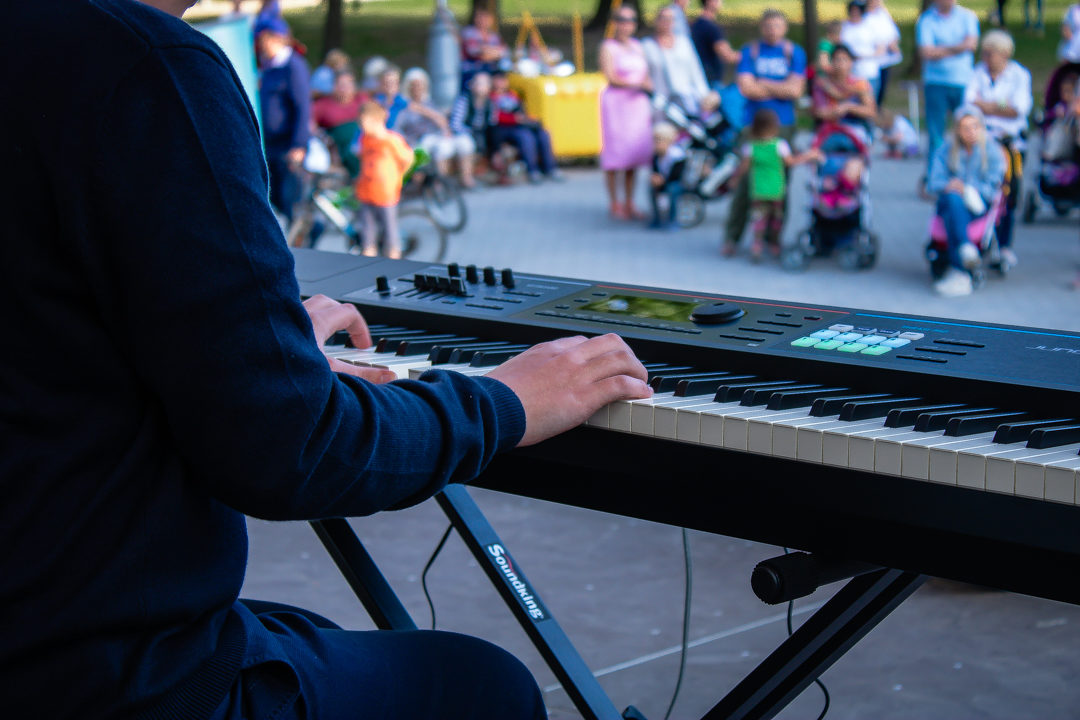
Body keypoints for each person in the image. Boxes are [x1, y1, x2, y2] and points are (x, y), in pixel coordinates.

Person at [4, 3, 653, 720]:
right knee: (483, 685)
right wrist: (505, 401)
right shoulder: (142, 63)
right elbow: (290, 449)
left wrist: (252, 354)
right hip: (101, 679)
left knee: (304, 632)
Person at [723, 9, 807, 255]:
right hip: (753, 124)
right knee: (746, 180)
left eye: (777, 26)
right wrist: (780, 86)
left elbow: (796, 91)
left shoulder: (794, 53)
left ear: (785, 29)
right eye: (768, 26)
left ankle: (773, 238)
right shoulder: (750, 51)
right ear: (762, 27)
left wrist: (764, 84)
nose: (772, 30)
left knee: (781, 184)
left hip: (784, 125)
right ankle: (732, 236)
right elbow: (746, 88)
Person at [964, 29, 1031, 267]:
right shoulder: (977, 73)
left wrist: (989, 105)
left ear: (1004, 54)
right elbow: (969, 105)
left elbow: (1019, 108)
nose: (985, 57)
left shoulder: (1019, 75)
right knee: (980, 188)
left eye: (989, 53)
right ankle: (979, 238)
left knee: (1008, 193)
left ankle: (1004, 246)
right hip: (982, 142)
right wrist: (1000, 106)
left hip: (1009, 144)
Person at [927, 105, 1006, 296]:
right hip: (951, 201)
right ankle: (965, 249)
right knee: (952, 200)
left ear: (981, 127)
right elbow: (933, 182)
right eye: (965, 128)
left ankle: (959, 271)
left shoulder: (992, 151)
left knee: (953, 207)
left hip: (977, 204)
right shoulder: (946, 150)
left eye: (975, 126)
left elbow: (993, 187)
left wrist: (967, 188)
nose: (971, 132)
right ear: (957, 130)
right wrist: (950, 185)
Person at [727, 109, 822, 260]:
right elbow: (791, 162)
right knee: (776, 219)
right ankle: (774, 244)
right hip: (776, 191)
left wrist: (734, 179)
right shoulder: (780, 146)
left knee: (759, 219)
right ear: (774, 127)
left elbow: (743, 169)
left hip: (758, 192)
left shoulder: (751, 147)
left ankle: (756, 245)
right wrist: (810, 155)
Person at [916, 0, 980, 185]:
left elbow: (971, 45)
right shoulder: (927, 20)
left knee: (966, 131)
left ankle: (966, 175)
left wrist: (941, 49)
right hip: (935, 83)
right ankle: (934, 178)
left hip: (962, 81)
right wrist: (958, 47)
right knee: (936, 134)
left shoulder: (967, 17)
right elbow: (927, 52)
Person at [599, 6, 653, 220]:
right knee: (615, 155)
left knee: (633, 155)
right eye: (621, 20)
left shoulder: (637, 47)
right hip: (617, 104)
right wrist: (635, 83)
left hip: (637, 105)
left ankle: (630, 200)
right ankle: (614, 201)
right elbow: (611, 76)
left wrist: (647, 85)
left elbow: (646, 74)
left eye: (630, 20)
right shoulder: (608, 47)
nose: (625, 24)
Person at [256, 15, 310, 224]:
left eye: (263, 40)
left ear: (275, 39)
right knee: (274, 197)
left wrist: (298, 145)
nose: (260, 45)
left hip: (288, 145)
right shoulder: (269, 67)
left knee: (289, 200)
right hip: (271, 144)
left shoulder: (293, 66)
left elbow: (302, 107)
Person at [398, 67, 477, 188]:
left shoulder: (429, 102)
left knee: (455, 145)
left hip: (433, 137)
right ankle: (427, 185)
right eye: (414, 85)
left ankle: (451, 182)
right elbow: (400, 127)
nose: (418, 88)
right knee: (423, 151)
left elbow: (441, 121)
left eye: (420, 85)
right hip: (414, 141)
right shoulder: (404, 105)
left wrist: (424, 111)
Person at [354, 101, 414, 259]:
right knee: (367, 235)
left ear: (375, 120)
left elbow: (408, 158)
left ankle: (393, 261)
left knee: (390, 235)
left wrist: (398, 177)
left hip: (385, 194)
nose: (361, 126)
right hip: (366, 192)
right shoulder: (365, 139)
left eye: (363, 122)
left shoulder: (391, 140)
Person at [489, 71, 562, 183]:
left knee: (544, 134)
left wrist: (527, 119)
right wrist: (515, 119)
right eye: (498, 80)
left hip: (519, 125)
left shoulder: (513, 95)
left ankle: (550, 168)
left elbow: (521, 111)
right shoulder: (491, 97)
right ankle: (532, 171)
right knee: (526, 137)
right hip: (503, 129)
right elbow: (494, 116)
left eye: (503, 80)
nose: (501, 83)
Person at [643, 5, 710, 114]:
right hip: (661, 104)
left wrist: (704, 95)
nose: (666, 22)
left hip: (689, 101)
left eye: (670, 19)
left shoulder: (684, 43)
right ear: (656, 20)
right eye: (663, 18)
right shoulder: (647, 45)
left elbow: (696, 71)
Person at [811, 43, 878, 140]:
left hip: (855, 128)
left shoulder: (859, 84)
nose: (841, 63)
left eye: (845, 59)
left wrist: (848, 107)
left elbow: (871, 111)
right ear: (831, 62)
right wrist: (835, 112)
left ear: (851, 62)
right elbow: (818, 111)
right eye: (838, 59)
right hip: (829, 129)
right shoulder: (822, 84)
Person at [312, 70, 366, 178]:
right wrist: (324, 139)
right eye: (341, 85)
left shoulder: (361, 100)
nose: (345, 88)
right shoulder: (323, 105)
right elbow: (310, 125)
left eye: (348, 84)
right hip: (336, 150)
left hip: (362, 147)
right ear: (334, 86)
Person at [691, 0, 742, 91]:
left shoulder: (695, 25)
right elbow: (728, 56)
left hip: (697, 78)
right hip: (710, 81)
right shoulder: (711, 28)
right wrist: (749, 54)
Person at [840, 0, 883, 101]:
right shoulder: (844, 27)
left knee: (869, 103)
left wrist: (863, 56)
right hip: (850, 74)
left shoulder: (870, 26)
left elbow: (881, 48)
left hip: (868, 71)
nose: (855, 13)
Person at [648, 122, 688, 229]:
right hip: (663, 180)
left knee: (672, 190)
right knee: (651, 188)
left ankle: (673, 219)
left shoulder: (677, 155)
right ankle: (656, 219)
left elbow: (677, 175)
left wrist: (663, 180)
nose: (658, 143)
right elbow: (655, 170)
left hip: (675, 182)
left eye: (661, 139)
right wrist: (655, 178)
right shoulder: (656, 155)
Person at [461, 8, 510, 88]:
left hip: (490, 69)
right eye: (481, 18)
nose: (484, 21)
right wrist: (493, 52)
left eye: (487, 18)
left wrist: (485, 51)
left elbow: (504, 52)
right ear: (476, 19)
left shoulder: (494, 36)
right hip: (472, 70)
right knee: (482, 82)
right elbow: (473, 51)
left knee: (502, 81)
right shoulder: (469, 32)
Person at [865, 0, 901, 106]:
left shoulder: (883, 14)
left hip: (885, 60)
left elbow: (894, 33)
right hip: (870, 63)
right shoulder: (863, 15)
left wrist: (893, 43)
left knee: (881, 92)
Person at [373, 64, 409, 129]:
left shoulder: (405, 103)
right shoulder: (376, 102)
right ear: (380, 84)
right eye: (386, 83)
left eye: (392, 83)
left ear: (398, 84)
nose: (389, 86)